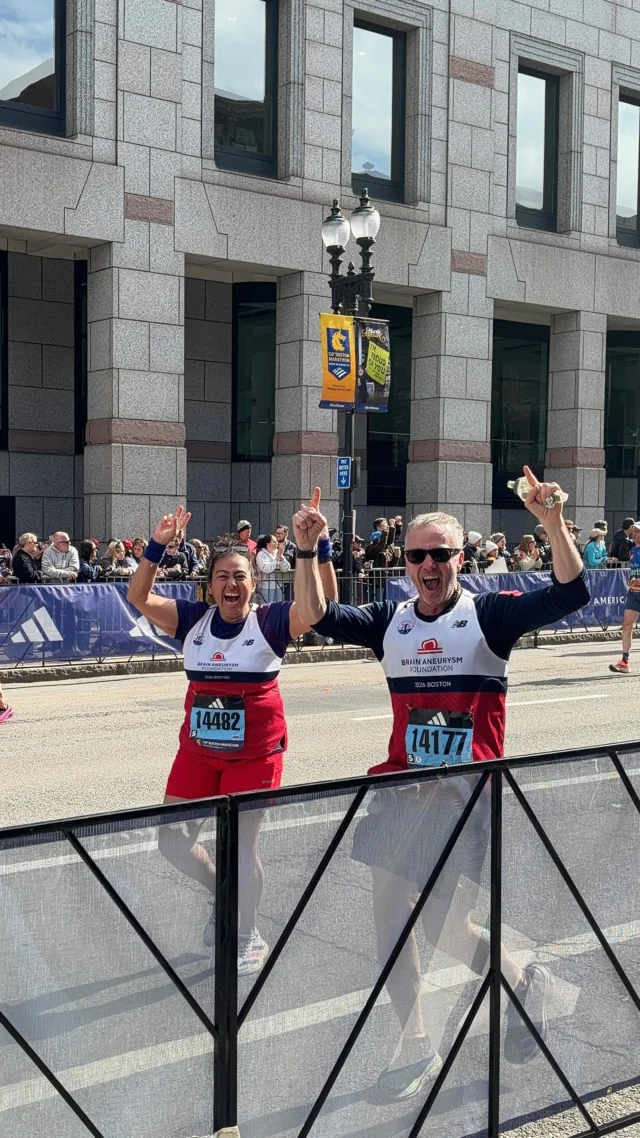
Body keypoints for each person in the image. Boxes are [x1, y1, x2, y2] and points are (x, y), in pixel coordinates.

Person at [292, 466, 588, 1101]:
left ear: (461, 558)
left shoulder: (489, 617)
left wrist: (552, 522)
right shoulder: (390, 620)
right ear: (406, 563)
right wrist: (309, 548)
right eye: (418, 556)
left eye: (441, 555)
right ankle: (414, 1039)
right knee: (390, 921)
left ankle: (523, 978)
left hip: (465, 800)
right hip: (400, 794)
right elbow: (314, 615)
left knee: (446, 931)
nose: (429, 566)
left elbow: (570, 594)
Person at [127, 498, 338, 974]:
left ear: (254, 582)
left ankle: (246, 929)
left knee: (241, 847)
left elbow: (318, 609)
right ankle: (226, 895)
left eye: (240, 576)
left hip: (254, 757)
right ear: (209, 585)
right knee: (172, 841)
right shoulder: (191, 620)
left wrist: (314, 546)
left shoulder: (271, 622)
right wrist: (158, 546)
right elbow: (138, 596)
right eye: (222, 576)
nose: (231, 584)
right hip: (198, 753)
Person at [610, 523, 640, 674]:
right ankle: (624, 661)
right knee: (627, 625)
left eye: (637, 532)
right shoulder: (633, 549)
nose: (634, 534)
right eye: (633, 531)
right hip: (634, 593)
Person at [255, 533, 291, 602]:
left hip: (278, 585)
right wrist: (277, 559)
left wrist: (281, 558)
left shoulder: (277, 553)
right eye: (274, 542)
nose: (276, 544)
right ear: (267, 544)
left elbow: (286, 568)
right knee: (267, 607)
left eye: (276, 542)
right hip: (266, 586)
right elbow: (266, 568)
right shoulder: (261, 555)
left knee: (279, 606)